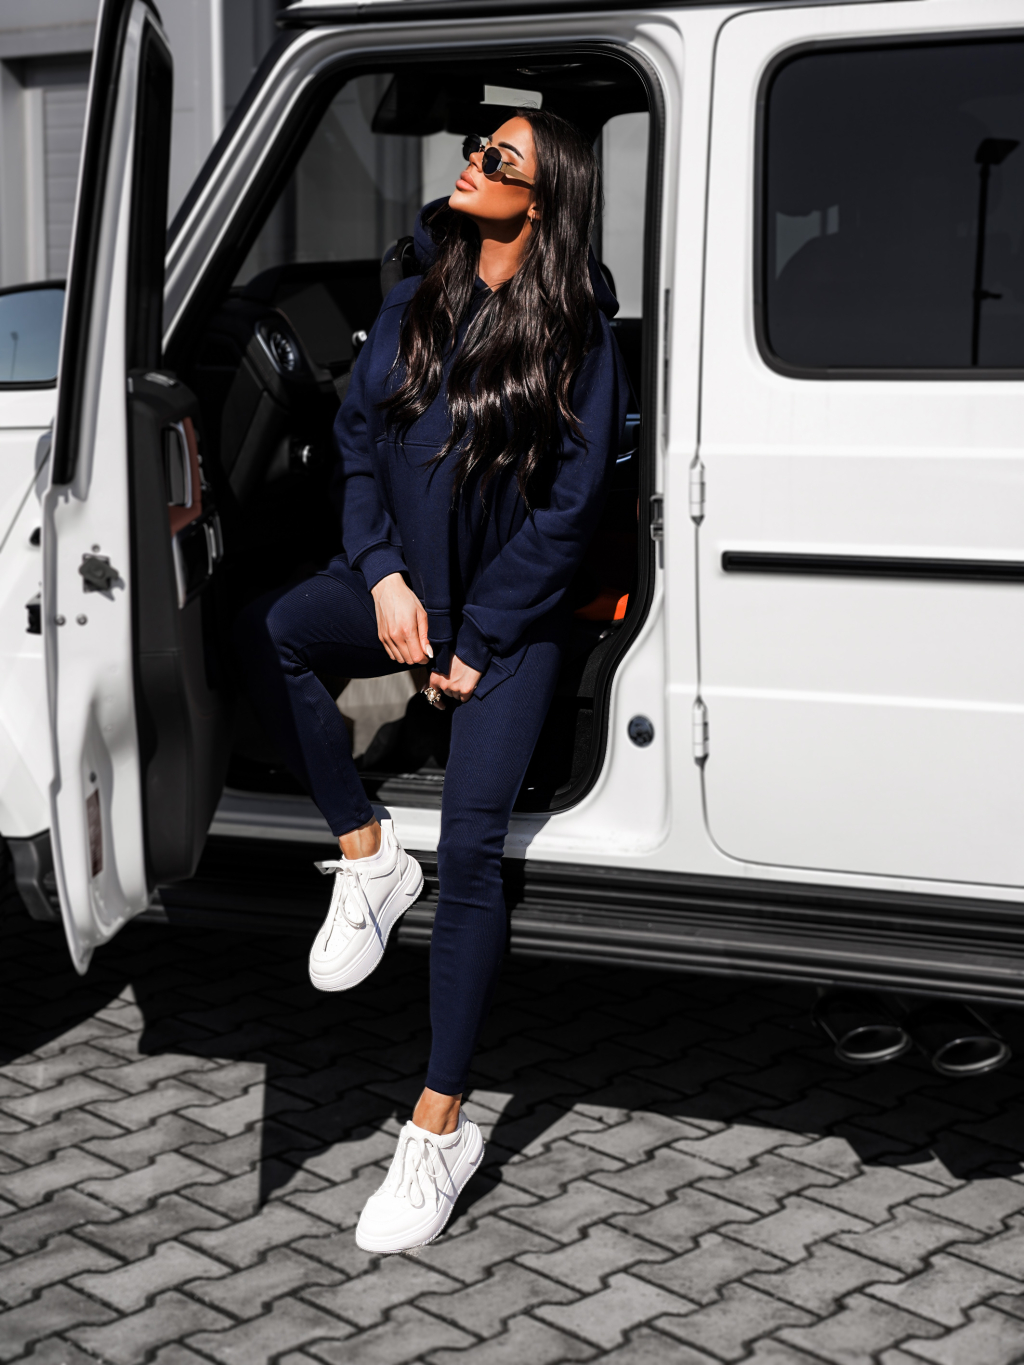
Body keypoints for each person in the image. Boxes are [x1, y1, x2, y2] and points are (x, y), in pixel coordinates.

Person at [236, 108, 629, 1253]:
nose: (472, 163)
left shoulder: (578, 331)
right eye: (475, 148)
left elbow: (568, 515)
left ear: (542, 200)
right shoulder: (416, 298)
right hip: (405, 591)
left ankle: (438, 1126)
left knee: (471, 855)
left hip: (510, 623)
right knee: (271, 631)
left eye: (499, 158)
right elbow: (358, 447)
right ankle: (366, 853)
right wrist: (382, 575)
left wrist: (481, 635)